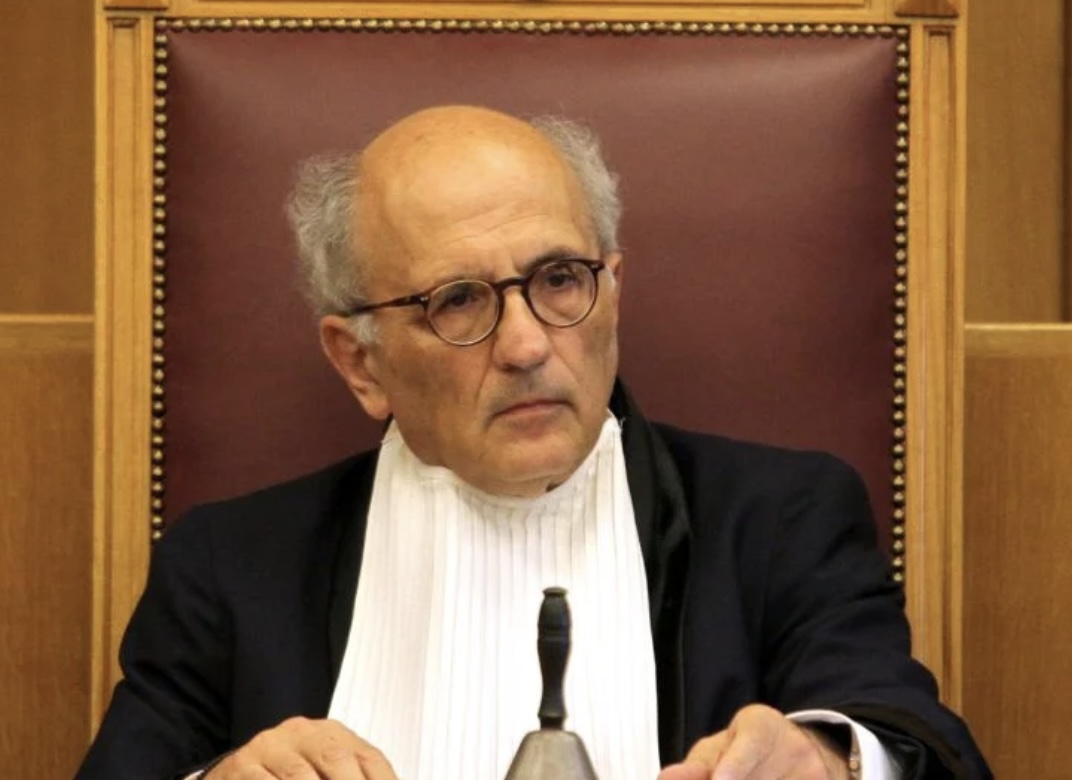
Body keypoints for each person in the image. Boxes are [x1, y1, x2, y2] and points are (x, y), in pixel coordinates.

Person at [75, 105, 990, 780]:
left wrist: (830, 760)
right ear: (361, 363)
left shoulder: (780, 521)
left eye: (559, 279)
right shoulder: (230, 566)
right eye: (457, 300)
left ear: (613, 291)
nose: (525, 345)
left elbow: (919, 744)